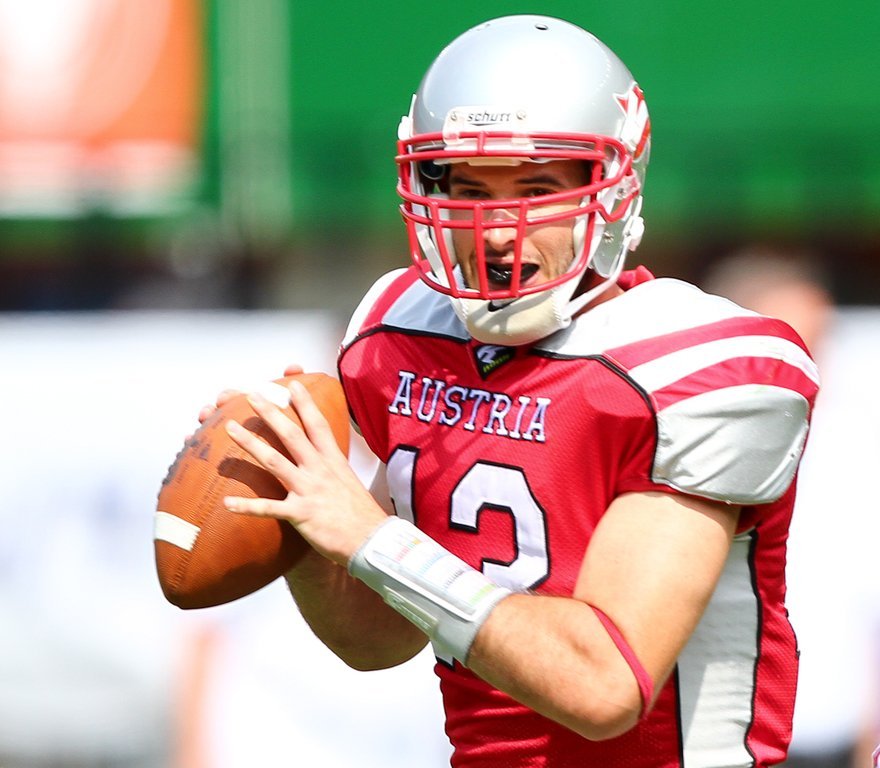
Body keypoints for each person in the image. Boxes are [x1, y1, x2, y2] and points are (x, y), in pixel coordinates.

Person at [205, 15, 819, 766]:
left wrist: (371, 538)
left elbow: (604, 686)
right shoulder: (402, 337)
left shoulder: (693, 368)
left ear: (614, 191)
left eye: (536, 188)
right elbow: (375, 638)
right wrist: (303, 513)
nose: (498, 230)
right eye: (469, 190)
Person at [702, 249, 880, 768]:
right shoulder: (687, 445)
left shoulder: (856, 441)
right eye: (795, 348)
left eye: (821, 343)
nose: (811, 367)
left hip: (833, 729)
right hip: (719, 731)